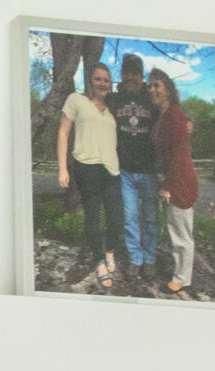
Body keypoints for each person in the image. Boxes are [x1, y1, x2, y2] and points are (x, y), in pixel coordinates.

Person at [56, 64, 122, 287]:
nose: (103, 83)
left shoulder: (113, 108)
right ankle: (99, 262)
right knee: (93, 217)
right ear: (90, 81)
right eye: (98, 79)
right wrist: (62, 168)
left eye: (106, 80)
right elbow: (64, 132)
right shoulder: (76, 100)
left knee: (116, 219)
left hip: (112, 169)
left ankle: (110, 250)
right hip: (86, 167)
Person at [110, 50, 164, 292]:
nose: (131, 77)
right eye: (127, 72)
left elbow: (169, 106)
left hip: (149, 171)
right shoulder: (114, 99)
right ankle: (136, 259)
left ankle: (150, 258)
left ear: (141, 75)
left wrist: (187, 119)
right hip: (126, 172)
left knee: (151, 218)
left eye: (135, 73)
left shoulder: (150, 97)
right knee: (130, 218)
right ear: (121, 74)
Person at [153, 69, 202, 298]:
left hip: (180, 181)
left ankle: (182, 279)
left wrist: (168, 186)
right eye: (150, 86)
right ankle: (181, 274)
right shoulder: (165, 115)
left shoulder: (175, 116)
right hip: (173, 178)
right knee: (176, 230)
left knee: (181, 234)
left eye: (157, 85)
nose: (153, 89)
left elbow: (179, 156)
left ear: (168, 89)